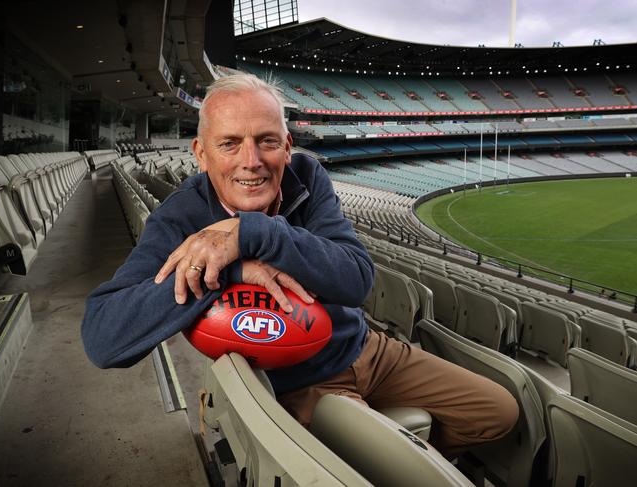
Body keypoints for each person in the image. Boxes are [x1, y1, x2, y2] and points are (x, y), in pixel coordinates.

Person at [82, 73, 518, 458]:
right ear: (201, 153)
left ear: (287, 147)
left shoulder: (307, 178)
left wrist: (253, 234)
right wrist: (230, 272)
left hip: (366, 349)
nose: (251, 161)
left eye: (267, 141)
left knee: (498, 412)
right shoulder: (181, 218)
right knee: (372, 466)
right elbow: (103, 336)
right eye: (229, 143)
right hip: (298, 382)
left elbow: (356, 280)